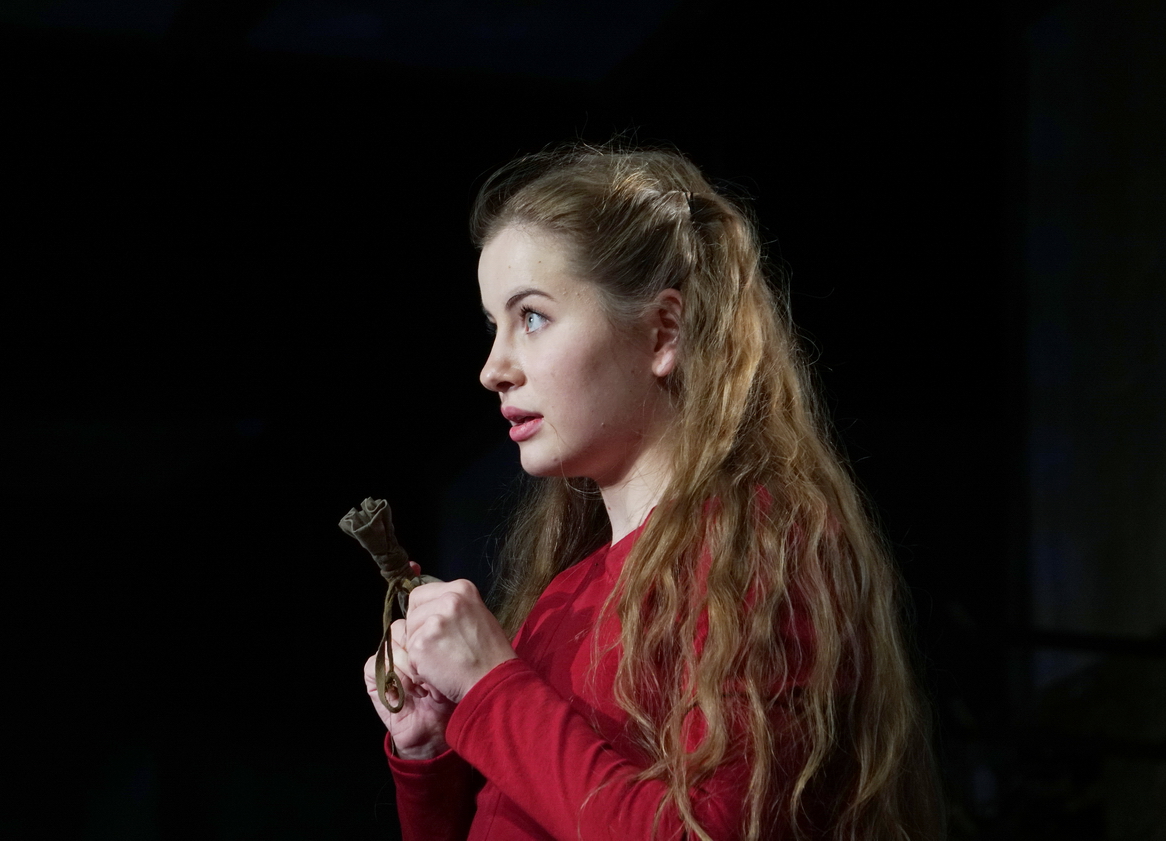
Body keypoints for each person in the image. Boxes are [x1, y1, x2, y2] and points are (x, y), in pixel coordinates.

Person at [363, 143, 943, 840]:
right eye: (495, 327)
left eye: (533, 317)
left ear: (662, 332)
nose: (494, 368)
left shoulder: (756, 550)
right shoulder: (562, 597)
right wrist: (429, 756)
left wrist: (492, 687)